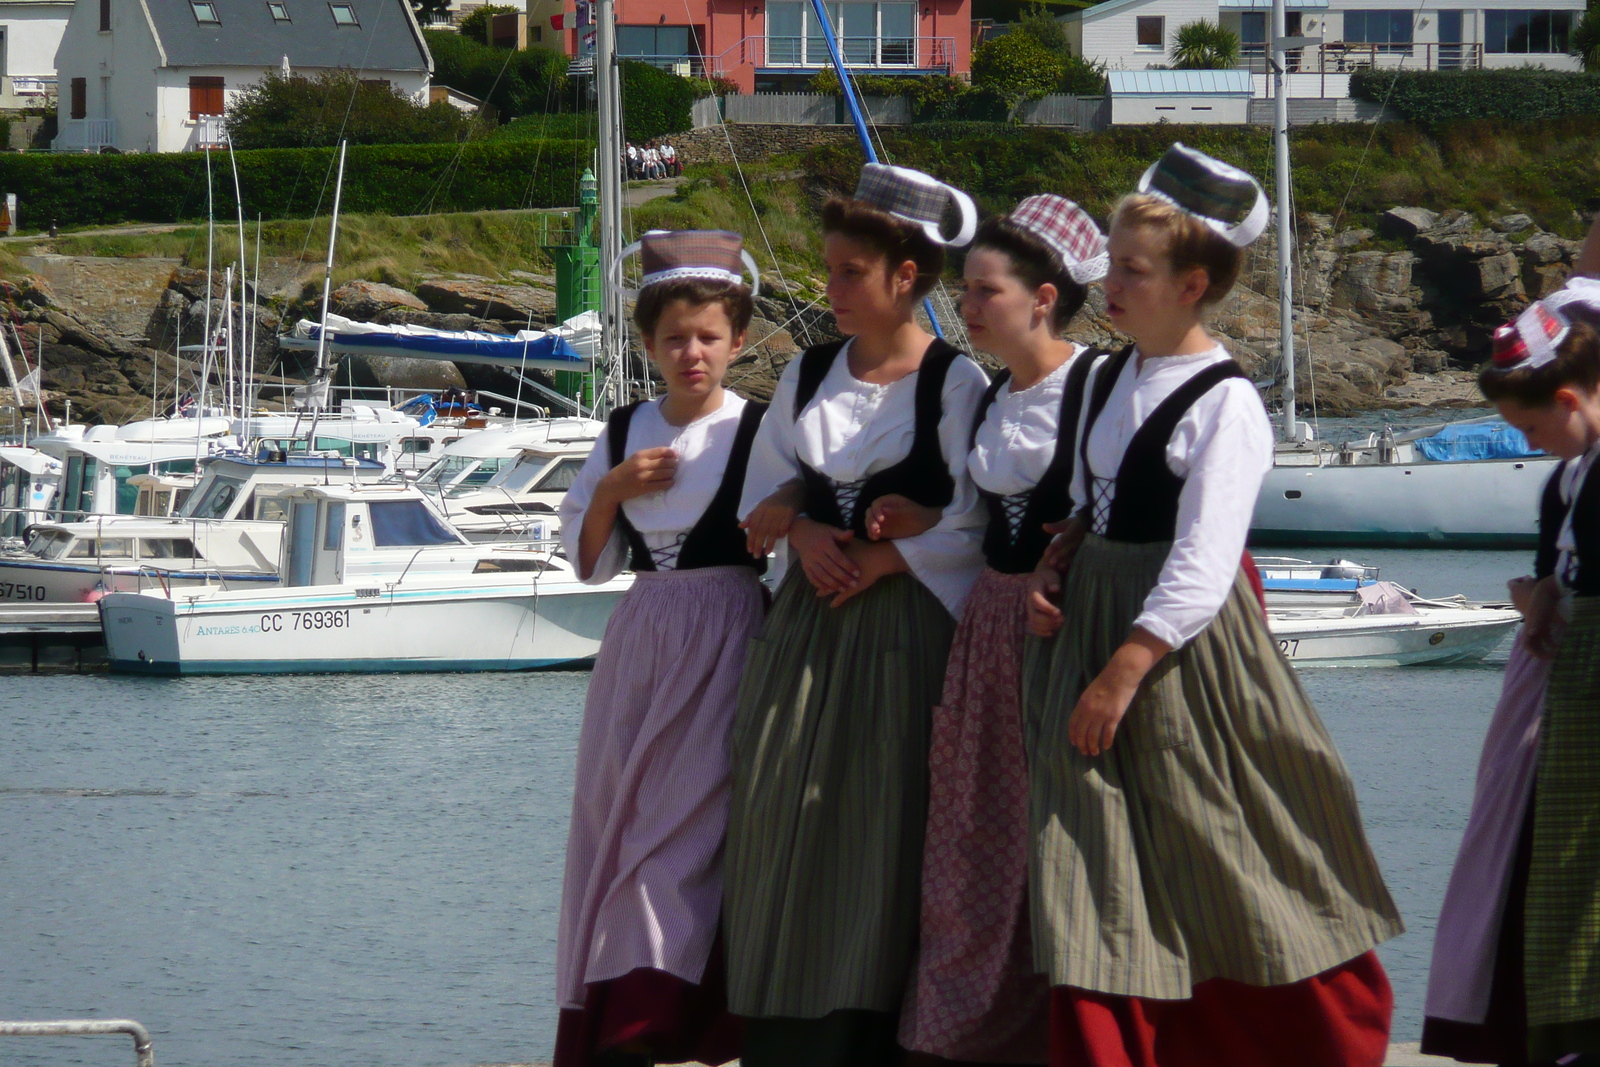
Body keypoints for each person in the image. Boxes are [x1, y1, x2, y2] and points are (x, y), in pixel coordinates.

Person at [1023, 143, 1404, 1067]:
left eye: (1132, 271)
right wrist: (1057, 560)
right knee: (1086, 855)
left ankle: (1298, 1040)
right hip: (1096, 629)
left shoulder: (1227, 403)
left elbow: (1203, 560)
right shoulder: (1109, 376)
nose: (1108, 283)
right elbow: (1090, 501)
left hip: (1178, 652)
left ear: (1194, 284)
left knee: (1225, 844)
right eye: (1110, 264)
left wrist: (1124, 668)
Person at [723, 162, 989, 1066]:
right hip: (805, 622)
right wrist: (800, 529)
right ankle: (786, 1023)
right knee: (779, 804)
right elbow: (764, 496)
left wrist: (881, 555)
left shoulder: (955, 385)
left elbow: (973, 516)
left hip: (903, 628)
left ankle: (873, 1026)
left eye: (849, 273)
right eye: (830, 268)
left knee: (879, 816)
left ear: (905, 277)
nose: (829, 288)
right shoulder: (805, 373)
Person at [898, 195, 1109, 1067]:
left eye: (986, 291)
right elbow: (968, 515)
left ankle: (1067, 1026)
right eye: (970, 290)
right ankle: (962, 1029)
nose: (968, 306)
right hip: (989, 624)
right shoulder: (990, 396)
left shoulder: (1099, 387)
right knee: (974, 827)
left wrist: (1073, 565)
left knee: (1062, 834)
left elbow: (1122, 511)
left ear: (1045, 297)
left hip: (1063, 629)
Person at [553, 229, 768, 1067]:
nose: (691, 353)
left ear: (737, 341)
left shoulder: (757, 430)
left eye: (708, 336)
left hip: (729, 635)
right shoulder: (621, 430)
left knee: (687, 828)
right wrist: (610, 487)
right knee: (617, 825)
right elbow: (586, 557)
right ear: (647, 344)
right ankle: (627, 1011)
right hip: (641, 641)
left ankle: (657, 1017)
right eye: (674, 337)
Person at [1421, 279, 1600, 1067]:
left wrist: (1557, 595)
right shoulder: (1571, 479)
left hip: (1587, 678)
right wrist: (1546, 594)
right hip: (1564, 687)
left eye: (1530, 426)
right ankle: (1553, 1025)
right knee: (1548, 856)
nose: (1527, 444)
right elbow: (1563, 569)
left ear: (1569, 400)